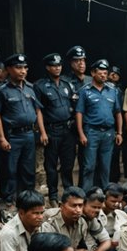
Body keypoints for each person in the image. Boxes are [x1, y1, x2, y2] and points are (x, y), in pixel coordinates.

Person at [0, 53, 47, 202]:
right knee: (9, 170)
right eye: (18, 67)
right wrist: (2, 138)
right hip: (12, 135)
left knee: (28, 170)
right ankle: (8, 201)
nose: (22, 71)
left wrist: (42, 132)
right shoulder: (1, 90)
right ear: (8, 69)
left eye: (25, 68)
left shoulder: (30, 88)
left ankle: (27, 199)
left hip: (29, 134)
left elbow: (37, 110)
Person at [35, 52, 77, 205]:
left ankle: (68, 193)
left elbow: (74, 105)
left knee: (68, 164)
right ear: (47, 67)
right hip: (51, 130)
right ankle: (53, 196)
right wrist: (43, 132)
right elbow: (38, 110)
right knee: (51, 166)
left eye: (59, 65)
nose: (57, 68)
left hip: (68, 130)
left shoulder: (67, 84)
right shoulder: (40, 86)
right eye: (53, 66)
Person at [76, 59, 123, 191]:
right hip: (92, 132)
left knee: (105, 166)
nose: (103, 75)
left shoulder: (112, 91)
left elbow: (118, 113)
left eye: (105, 73)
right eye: (100, 72)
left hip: (108, 133)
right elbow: (79, 113)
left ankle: (104, 195)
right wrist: (81, 134)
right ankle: (86, 195)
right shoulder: (85, 91)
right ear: (93, 73)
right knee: (89, 166)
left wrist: (119, 133)